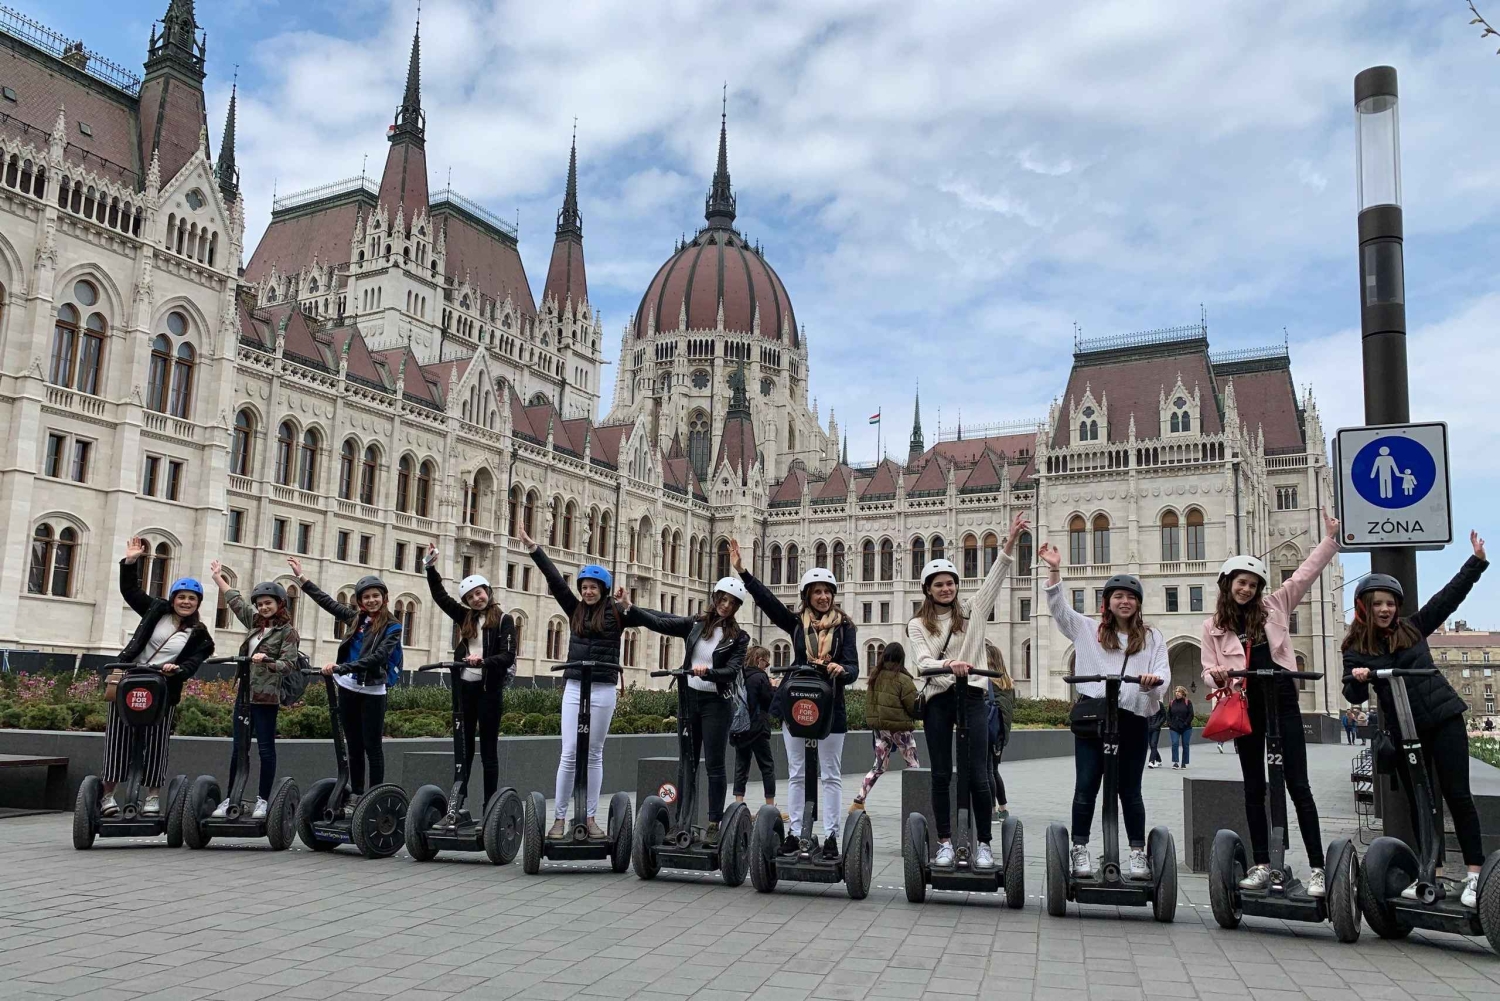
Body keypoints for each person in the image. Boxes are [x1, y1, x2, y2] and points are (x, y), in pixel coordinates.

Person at [1343, 530, 1490, 907]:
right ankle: (1431, 874)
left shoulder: (1413, 628)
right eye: (1377, 603)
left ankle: (1475, 875)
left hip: (1443, 718)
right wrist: (1358, 679)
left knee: (1457, 795)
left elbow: (1448, 599)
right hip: (1405, 731)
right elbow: (1353, 694)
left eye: (1390, 603)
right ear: (1364, 607)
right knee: (1420, 802)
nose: (1385, 609)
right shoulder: (1355, 648)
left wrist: (1475, 562)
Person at [1202, 507, 1341, 897]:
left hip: (1280, 699)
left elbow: (1304, 574)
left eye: (1251, 584)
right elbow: (1207, 666)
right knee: (1253, 786)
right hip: (1245, 705)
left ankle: (1316, 867)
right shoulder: (1213, 625)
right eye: (1239, 583)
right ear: (1227, 584)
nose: (1245, 589)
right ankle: (1262, 863)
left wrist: (1330, 540)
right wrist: (1215, 675)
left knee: (1298, 784)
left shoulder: (1276, 606)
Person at [909, 512, 1028, 869]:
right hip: (939, 701)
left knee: (979, 774)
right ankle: (944, 841)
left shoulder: (974, 611)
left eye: (951, 583)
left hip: (974, 697)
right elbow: (922, 661)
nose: (946, 588)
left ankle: (985, 844)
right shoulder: (918, 624)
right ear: (928, 589)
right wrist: (948, 665)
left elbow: (997, 575)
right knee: (941, 773)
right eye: (939, 584)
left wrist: (1009, 541)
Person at [1040, 543, 1166, 878]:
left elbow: (1163, 676)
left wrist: (1151, 682)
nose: (1125, 601)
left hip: (1132, 720)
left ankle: (1137, 852)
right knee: (1086, 785)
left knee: (1130, 790)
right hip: (1094, 721)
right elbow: (1058, 607)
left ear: (1138, 603)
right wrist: (1054, 569)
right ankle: (1079, 848)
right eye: (1118, 596)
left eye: (1131, 596)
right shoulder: (1086, 629)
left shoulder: (1152, 637)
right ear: (1107, 603)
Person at [729, 537, 858, 859]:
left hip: (830, 709)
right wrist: (743, 572)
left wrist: (842, 669)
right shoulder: (797, 625)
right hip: (797, 705)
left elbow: (854, 668)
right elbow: (769, 602)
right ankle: (796, 831)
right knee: (798, 772)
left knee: (830, 774)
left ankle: (830, 836)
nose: (824, 596)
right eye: (817, 591)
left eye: (828, 591)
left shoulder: (845, 628)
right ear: (807, 596)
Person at [518, 527, 644, 838]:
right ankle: (560, 818)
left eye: (593, 587)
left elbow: (643, 618)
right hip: (575, 686)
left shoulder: (616, 615)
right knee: (570, 752)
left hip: (602, 688)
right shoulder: (574, 610)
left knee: (595, 752)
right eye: (584, 587)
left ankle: (589, 818)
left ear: (603, 589)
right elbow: (555, 581)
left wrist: (627, 605)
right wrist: (535, 550)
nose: (587, 592)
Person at [618, 577, 749, 845]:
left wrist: (709, 672)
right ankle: (682, 821)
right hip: (689, 699)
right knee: (686, 761)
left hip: (716, 702)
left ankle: (714, 822)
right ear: (715, 598)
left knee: (714, 764)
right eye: (723, 600)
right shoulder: (695, 625)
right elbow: (662, 621)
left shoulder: (739, 637)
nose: (726, 606)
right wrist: (631, 608)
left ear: (737, 607)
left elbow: (733, 670)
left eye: (732, 603)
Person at [100, 537, 215, 817]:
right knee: (119, 736)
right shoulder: (156, 611)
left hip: (163, 689)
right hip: (130, 680)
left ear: (197, 603)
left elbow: (192, 663)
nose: (185, 602)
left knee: (156, 741)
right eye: (181, 597)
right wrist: (130, 562)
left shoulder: (200, 636)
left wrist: (177, 670)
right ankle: (107, 796)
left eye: (191, 599)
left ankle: (152, 797)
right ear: (173, 598)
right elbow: (130, 590)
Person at [287, 558, 403, 810]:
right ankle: (357, 794)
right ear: (360, 601)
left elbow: (379, 656)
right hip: (348, 687)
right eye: (366, 597)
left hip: (373, 689)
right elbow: (328, 602)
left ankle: (374, 796)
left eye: (376, 596)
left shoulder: (393, 626)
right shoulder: (356, 619)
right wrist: (302, 578)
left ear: (384, 598)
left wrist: (342, 667)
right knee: (353, 745)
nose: (371, 600)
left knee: (373, 746)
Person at [423, 545, 516, 816]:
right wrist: (430, 568)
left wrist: (483, 661)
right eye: (471, 597)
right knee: (463, 751)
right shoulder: (465, 618)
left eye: (479, 593)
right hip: (465, 691)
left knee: (488, 751)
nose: (476, 599)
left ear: (487, 592)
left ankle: (490, 806)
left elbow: (507, 656)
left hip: (489, 692)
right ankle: (457, 805)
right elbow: (441, 598)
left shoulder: (504, 620)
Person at [208, 563, 300, 819]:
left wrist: (267, 660)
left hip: (267, 697)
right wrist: (218, 578)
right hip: (245, 695)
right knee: (239, 748)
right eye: (260, 603)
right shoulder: (256, 624)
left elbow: (289, 664)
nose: (263, 607)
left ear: (280, 604)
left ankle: (263, 800)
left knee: (265, 749)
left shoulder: (288, 632)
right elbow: (237, 603)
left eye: (268, 603)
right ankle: (231, 797)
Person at [853, 642, 920, 809]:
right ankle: (917, 802)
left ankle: (859, 800)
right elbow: (913, 706)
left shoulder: (875, 677)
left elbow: (870, 705)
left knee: (879, 766)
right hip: (900, 729)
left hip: (880, 729)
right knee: (913, 765)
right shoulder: (903, 680)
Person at [732, 645, 777, 813]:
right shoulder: (760, 677)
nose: (767, 665)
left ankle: (738, 803)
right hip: (757, 728)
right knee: (767, 766)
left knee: (741, 767)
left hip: (739, 728)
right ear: (759, 660)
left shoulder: (739, 675)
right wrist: (773, 687)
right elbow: (767, 702)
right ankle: (769, 805)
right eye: (766, 662)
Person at [984, 642, 1015, 820]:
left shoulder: (987, 682)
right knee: (994, 770)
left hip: (988, 729)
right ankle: (1003, 808)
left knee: (987, 771)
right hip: (1000, 733)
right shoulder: (1007, 682)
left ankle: (991, 811)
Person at [1167, 687, 1194, 768]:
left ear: (1183, 693)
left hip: (1186, 727)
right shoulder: (1172, 703)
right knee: (1174, 743)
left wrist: (1185, 723)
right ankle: (1175, 762)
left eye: (1179, 692)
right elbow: (1168, 715)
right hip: (1174, 727)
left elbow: (1191, 714)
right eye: (1176, 692)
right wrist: (1170, 724)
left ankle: (1184, 763)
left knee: (1185, 744)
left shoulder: (1187, 702)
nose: (1177, 693)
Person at [1146, 700, 1166, 769]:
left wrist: (1158, 725)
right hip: (1148, 728)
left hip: (1156, 728)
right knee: (1151, 745)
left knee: (1153, 744)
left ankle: (1151, 761)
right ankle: (1159, 760)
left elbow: (1164, 716)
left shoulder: (1159, 704)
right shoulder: (1146, 704)